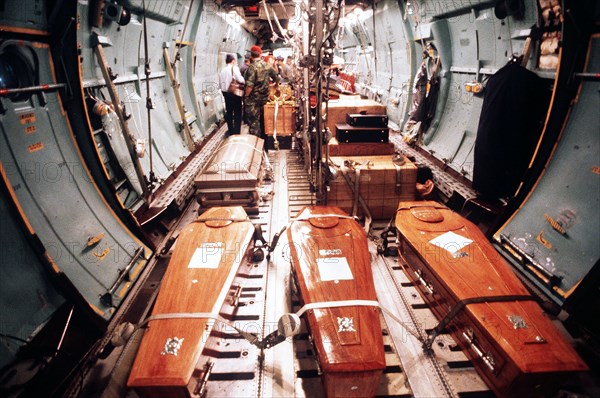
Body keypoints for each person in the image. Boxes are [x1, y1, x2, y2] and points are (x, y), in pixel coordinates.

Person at [244, 45, 279, 138]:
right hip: (264, 99)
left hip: (253, 100)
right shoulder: (267, 65)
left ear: (251, 56)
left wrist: (246, 96)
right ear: (260, 55)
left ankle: (256, 143)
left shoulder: (252, 67)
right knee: (264, 122)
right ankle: (265, 144)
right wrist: (275, 85)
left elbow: (249, 85)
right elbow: (276, 76)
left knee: (254, 123)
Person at [219, 53, 245, 135]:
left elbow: (220, 84)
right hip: (234, 93)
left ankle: (230, 130)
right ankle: (237, 131)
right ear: (233, 61)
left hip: (225, 94)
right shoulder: (234, 68)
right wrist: (244, 80)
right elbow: (240, 80)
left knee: (229, 112)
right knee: (237, 112)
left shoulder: (222, 70)